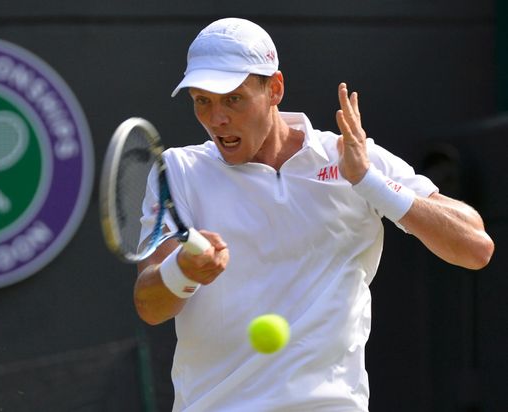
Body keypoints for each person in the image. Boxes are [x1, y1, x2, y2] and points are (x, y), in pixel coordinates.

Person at [134, 17, 494, 411]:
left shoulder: (351, 158)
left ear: (274, 89)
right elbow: (150, 305)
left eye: (233, 99)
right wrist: (183, 271)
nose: (217, 119)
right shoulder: (179, 172)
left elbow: (475, 247)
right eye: (202, 101)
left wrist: (369, 181)